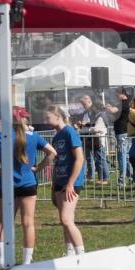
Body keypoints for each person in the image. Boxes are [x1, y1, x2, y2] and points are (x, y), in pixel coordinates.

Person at [0, 107, 56, 267]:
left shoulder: (2, 136)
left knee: (3, 223)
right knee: (28, 223)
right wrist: (38, 168)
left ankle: (1, 260)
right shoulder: (34, 136)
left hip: (7, 185)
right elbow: (52, 152)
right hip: (28, 184)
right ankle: (27, 262)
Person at [46, 105, 86, 256]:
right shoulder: (56, 136)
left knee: (66, 219)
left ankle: (81, 254)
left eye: (48, 117)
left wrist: (70, 183)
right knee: (66, 220)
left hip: (71, 183)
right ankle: (69, 252)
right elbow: (56, 162)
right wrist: (54, 185)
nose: (46, 121)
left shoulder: (70, 132)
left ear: (58, 117)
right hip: (60, 182)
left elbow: (79, 158)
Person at [112, 90, 132, 188]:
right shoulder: (123, 103)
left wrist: (106, 107)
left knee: (122, 156)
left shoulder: (124, 103)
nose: (116, 96)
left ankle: (122, 180)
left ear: (123, 94)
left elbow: (113, 110)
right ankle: (131, 177)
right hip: (121, 132)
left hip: (121, 133)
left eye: (117, 94)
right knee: (126, 156)